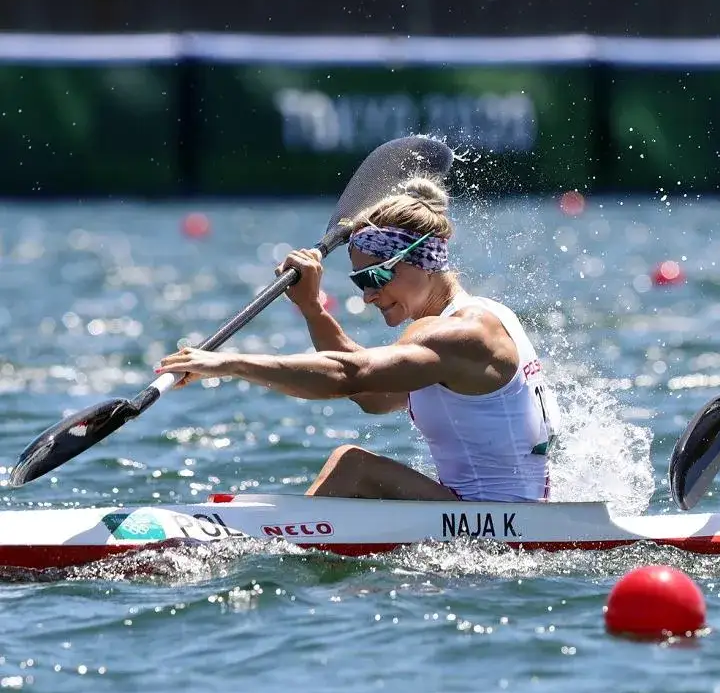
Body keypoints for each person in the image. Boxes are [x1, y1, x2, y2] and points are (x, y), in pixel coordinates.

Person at [157, 177, 560, 502]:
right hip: (486, 513)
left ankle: (275, 543)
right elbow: (374, 396)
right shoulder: (478, 319)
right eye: (359, 281)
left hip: (495, 526)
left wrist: (227, 363)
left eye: (376, 276)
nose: (368, 295)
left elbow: (354, 374)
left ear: (421, 262)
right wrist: (314, 309)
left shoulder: (462, 334)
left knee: (353, 465)